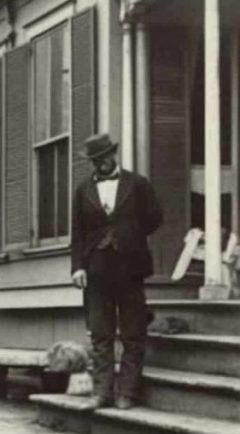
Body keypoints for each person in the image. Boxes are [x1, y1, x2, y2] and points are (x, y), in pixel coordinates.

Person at [70, 133, 163, 410]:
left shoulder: (138, 184)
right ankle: (102, 393)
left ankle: (127, 393)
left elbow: (154, 218)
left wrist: (129, 234)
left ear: (114, 154)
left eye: (104, 157)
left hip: (130, 268)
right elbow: (77, 233)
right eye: (95, 160)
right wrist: (77, 267)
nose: (101, 163)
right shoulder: (83, 190)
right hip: (96, 270)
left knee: (133, 332)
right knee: (100, 334)